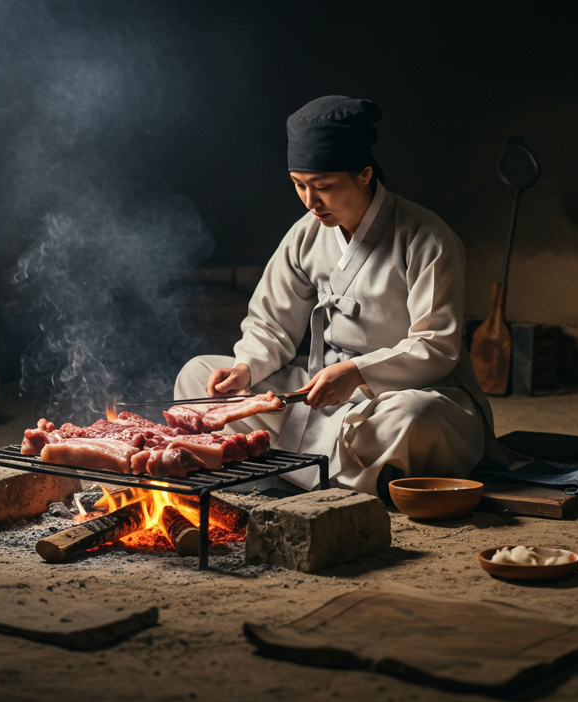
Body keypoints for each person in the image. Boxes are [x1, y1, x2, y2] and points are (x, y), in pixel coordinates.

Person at [174, 95, 509, 496]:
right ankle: (335, 472)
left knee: (415, 417)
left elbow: (436, 346)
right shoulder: (306, 234)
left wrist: (357, 373)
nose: (311, 202)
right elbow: (271, 322)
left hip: (404, 394)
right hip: (320, 390)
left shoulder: (427, 238)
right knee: (197, 375)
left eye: (324, 187)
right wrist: (246, 367)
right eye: (299, 186)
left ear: (365, 174)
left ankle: (286, 469)